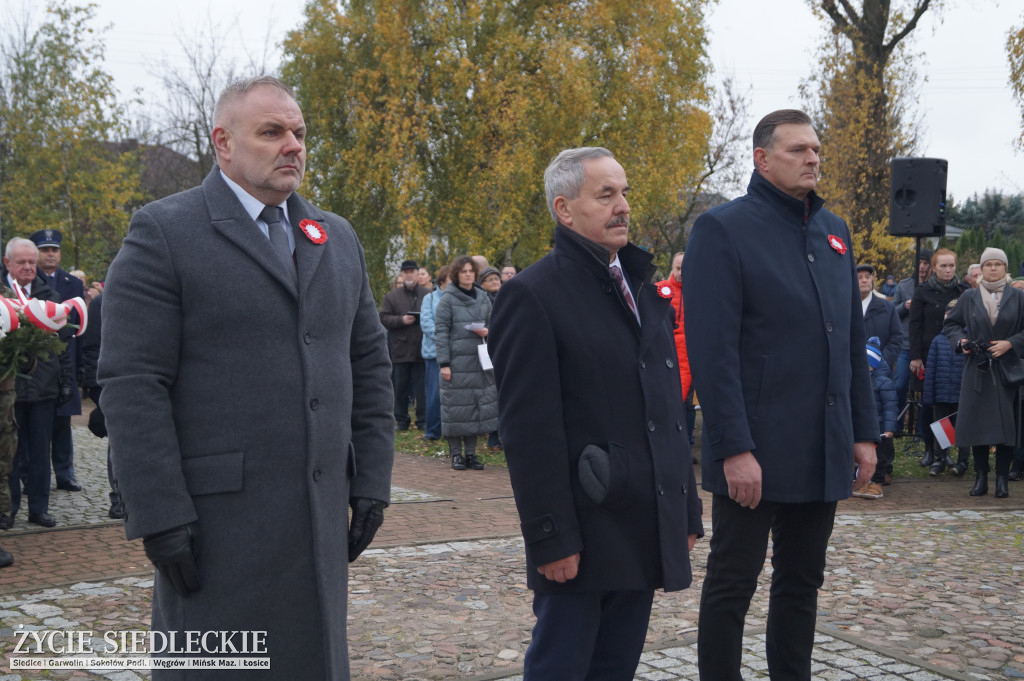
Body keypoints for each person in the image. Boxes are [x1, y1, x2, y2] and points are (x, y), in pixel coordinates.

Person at [98, 76, 394, 679]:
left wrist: (373, 482)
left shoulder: (334, 237)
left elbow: (368, 363)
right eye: (273, 132)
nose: (293, 145)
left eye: (300, 133)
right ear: (223, 142)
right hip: (218, 530)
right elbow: (133, 383)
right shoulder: (166, 231)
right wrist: (157, 513)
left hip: (316, 521)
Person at [489, 147, 702, 680]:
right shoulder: (531, 295)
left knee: (615, 669)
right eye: (605, 195)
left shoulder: (639, 288)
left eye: (624, 191)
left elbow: (665, 410)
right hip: (582, 530)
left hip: (639, 517)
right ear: (564, 209)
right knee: (563, 667)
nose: (623, 205)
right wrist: (550, 536)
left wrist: (685, 509)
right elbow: (527, 431)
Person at [683, 109, 877, 681]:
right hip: (757, 448)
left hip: (822, 443)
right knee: (733, 581)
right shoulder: (722, 229)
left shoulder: (834, 231)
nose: (812, 158)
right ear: (762, 159)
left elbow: (850, 343)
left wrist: (863, 434)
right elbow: (713, 353)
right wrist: (732, 448)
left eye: (815, 149)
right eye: (797, 150)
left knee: (802, 579)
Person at [3, 237, 73, 528]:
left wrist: (66, 382)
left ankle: (39, 509)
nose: (29, 267)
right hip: (9, 388)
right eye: (22, 262)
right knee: (9, 451)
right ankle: (9, 509)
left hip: (44, 386)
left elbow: (65, 344)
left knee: (41, 449)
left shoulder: (50, 296)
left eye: (32, 262)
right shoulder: (2, 296)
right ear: (7, 263)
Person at [943, 247, 1024, 499]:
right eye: (988, 264)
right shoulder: (969, 297)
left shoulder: (1018, 297)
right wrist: (962, 342)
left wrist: (1011, 343)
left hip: (1006, 369)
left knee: (1005, 427)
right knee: (977, 425)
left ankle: (1002, 479)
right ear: (982, 268)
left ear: (1005, 268)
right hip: (977, 368)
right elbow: (951, 324)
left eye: (997, 264)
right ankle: (980, 477)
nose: (992, 268)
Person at [30, 228, 85, 493]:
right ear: (36, 253)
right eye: (44, 250)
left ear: (60, 254)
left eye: (54, 250)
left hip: (67, 359)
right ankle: (31, 478)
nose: (50, 255)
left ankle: (65, 474)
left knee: (63, 423)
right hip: (38, 360)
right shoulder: (29, 279)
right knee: (34, 425)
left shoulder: (72, 284)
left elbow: (80, 326)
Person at [435, 256, 498, 470]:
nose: (468, 274)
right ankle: (456, 455)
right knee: (455, 408)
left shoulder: (483, 296)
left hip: (478, 360)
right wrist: (444, 363)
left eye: (471, 270)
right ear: (456, 274)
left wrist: (489, 332)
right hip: (456, 362)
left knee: (474, 407)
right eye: (464, 271)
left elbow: (494, 323)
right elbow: (441, 332)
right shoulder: (448, 299)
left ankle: (471, 454)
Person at [910, 248, 969, 467]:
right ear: (934, 268)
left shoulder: (963, 291)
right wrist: (915, 356)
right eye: (943, 266)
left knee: (951, 406)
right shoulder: (922, 292)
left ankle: (945, 451)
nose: (947, 269)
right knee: (928, 405)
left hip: (954, 356)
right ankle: (928, 448)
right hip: (928, 357)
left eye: (951, 265)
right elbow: (914, 325)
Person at [379, 259, 429, 431]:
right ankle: (402, 419)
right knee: (400, 387)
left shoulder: (427, 294)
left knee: (422, 389)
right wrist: (401, 320)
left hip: (422, 349)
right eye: (406, 271)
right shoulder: (392, 296)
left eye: (412, 271)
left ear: (417, 273)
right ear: (401, 274)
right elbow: (383, 317)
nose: (409, 274)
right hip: (400, 349)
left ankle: (422, 420)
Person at [656, 251, 696, 447]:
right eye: (678, 268)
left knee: (688, 401)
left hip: (691, 352)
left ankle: (687, 441)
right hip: (667, 351)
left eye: (685, 268)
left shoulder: (698, 291)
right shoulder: (660, 289)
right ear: (672, 268)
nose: (681, 272)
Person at [922, 299, 966, 476]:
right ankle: (941, 457)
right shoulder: (938, 340)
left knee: (962, 428)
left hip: (962, 393)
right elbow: (930, 371)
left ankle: (963, 460)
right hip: (941, 393)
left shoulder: (967, 339)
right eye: (948, 313)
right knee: (943, 427)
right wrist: (929, 397)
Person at [893, 249, 932, 433]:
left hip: (927, 348)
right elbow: (892, 312)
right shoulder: (903, 285)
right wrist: (904, 306)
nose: (922, 266)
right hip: (906, 347)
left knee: (927, 389)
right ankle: (898, 427)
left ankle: (922, 431)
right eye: (920, 263)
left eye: (926, 263)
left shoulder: (935, 286)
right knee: (899, 385)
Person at [852, 338, 898, 499]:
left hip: (880, 429)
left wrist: (890, 427)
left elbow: (890, 407)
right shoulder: (856, 382)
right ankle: (859, 482)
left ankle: (877, 482)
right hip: (862, 427)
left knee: (880, 459)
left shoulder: (884, 383)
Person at [420, 265, 450, 442]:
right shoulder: (429, 298)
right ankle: (432, 431)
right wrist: (446, 338)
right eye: (450, 279)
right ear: (442, 280)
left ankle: (451, 430)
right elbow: (426, 324)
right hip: (434, 353)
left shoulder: (457, 298)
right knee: (434, 394)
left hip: (455, 353)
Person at [858, 264, 902, 371]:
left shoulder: (888, 308)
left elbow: (896, 339)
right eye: (859, 277)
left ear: (872, 279)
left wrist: (880, 364)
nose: (864, 280)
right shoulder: (845, 309)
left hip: (879, 376)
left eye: (867, 277)